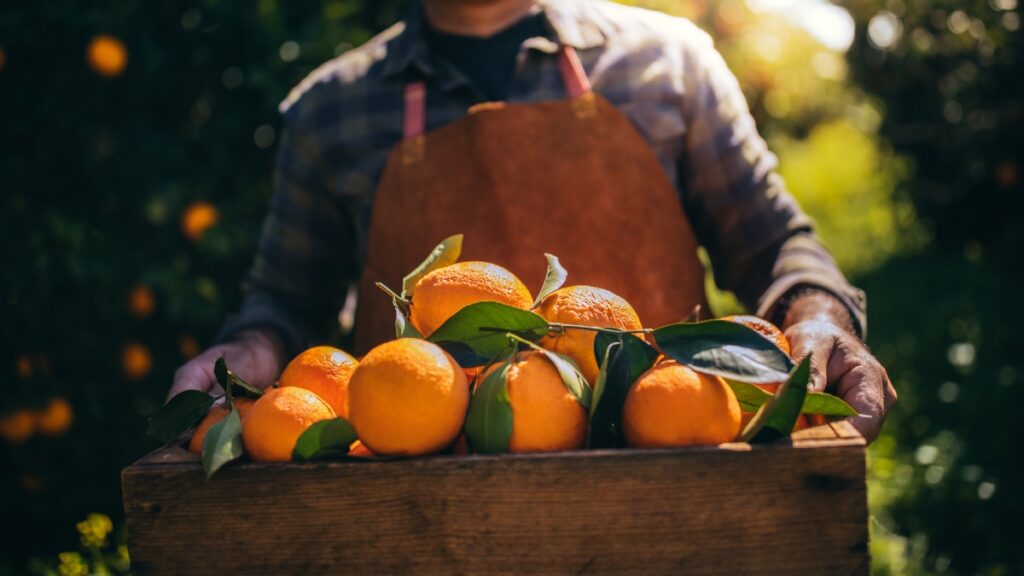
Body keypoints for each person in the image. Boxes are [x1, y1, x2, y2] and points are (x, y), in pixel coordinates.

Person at [168, 0, 896, 441]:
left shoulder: (668, 65)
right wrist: (245, 358)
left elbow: (775, 248)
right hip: (418, 518)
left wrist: (822, 320)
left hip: (678, 473)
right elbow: (288, 299)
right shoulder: (332, 111)